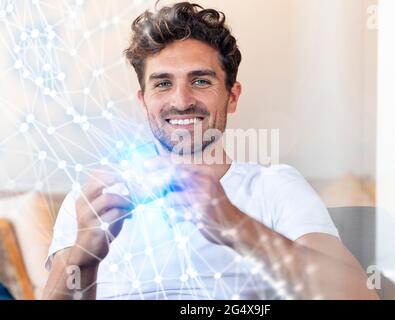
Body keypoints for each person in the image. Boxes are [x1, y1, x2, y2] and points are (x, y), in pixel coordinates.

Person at [43, 2, 378, 300]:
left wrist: (234, 224)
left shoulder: (274, 187)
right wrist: (82, 257)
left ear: (232, 97)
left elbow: (360, 296)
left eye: (201, 81)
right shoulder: (91, 198)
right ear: (143, 102)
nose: (181, 100)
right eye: (162, 83)